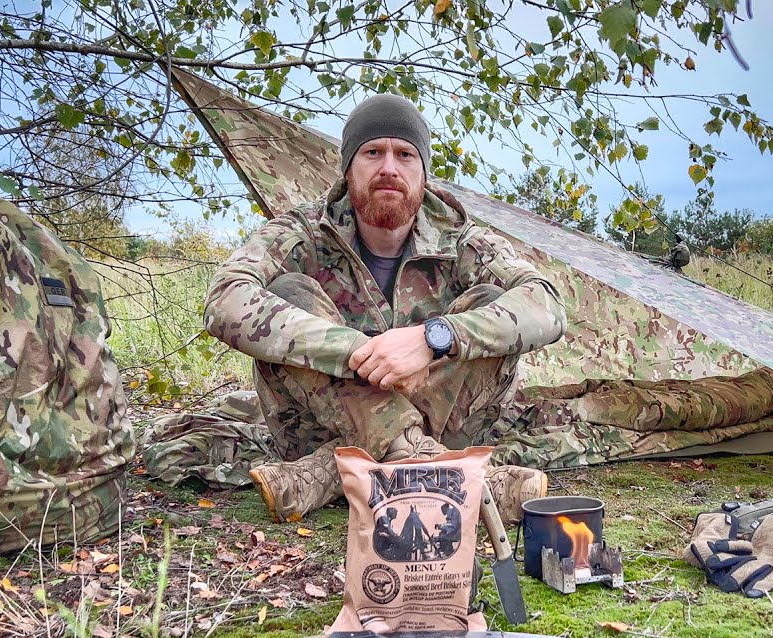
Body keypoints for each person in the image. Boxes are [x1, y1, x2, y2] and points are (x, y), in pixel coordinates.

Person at [204, 94, 567, 523]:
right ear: (348, 168)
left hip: (447, 423)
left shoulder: (462, 239)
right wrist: (355, 352)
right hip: (320, 423)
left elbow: (547, 303)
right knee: (290, 293)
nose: (389, 167)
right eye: (373, 152)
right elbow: (224, 298)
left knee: (489, 305)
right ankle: (449, 474)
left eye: (405, 154)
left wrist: (436, 338)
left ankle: (329, 472)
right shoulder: (302, 232)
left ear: (423, 173)